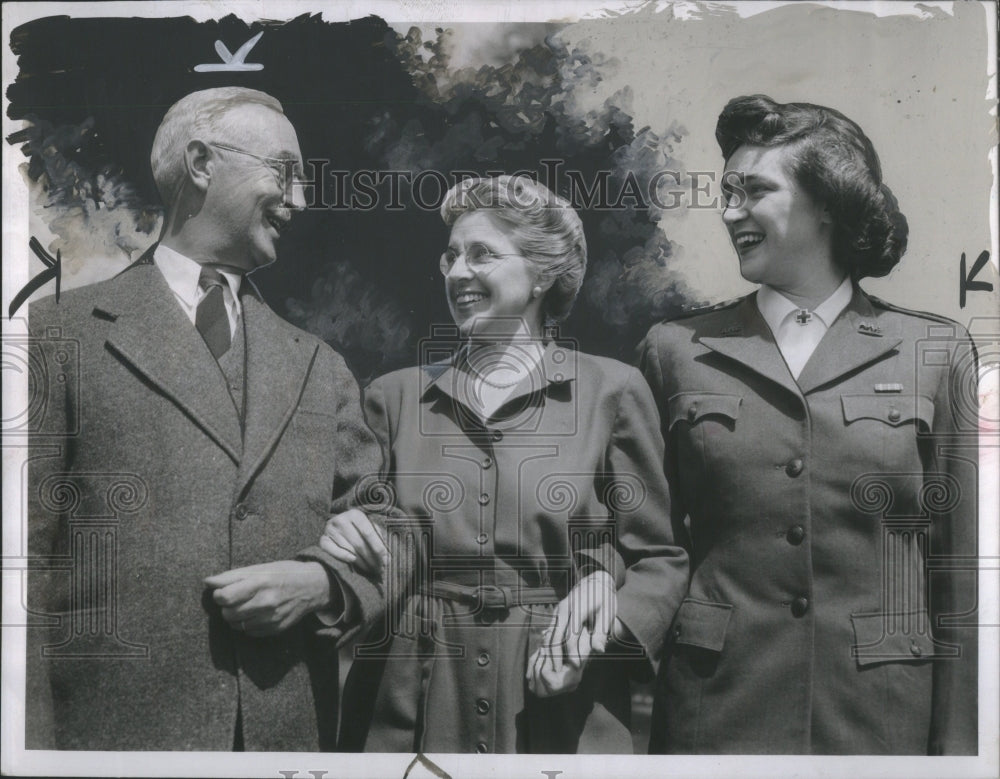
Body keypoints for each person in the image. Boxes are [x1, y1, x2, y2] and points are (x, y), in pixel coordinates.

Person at [26, 87, 384, 751]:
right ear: (199, 163)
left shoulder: (318, 365)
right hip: (108, 746)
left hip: (284, 745)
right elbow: (19, 567)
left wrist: (324, 581)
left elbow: (390, 529)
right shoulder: (53, 336)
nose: (300, 200)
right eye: (284, 172)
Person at [640, 95, 979, 754]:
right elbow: (650, 549)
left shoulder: (934, 352)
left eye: (754, 189)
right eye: (726, 190)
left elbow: (959, 570)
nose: (729, 209)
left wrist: (961, 752)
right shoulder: (675, 348)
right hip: (715, 713)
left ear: (828, 201)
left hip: (882, 719)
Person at [321, 175, 689, 753]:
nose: (457, 272)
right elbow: (367, 541)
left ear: (542, 274)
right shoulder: (392, 397)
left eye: (481, 254)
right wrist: (342, 530)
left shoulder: (612, 391)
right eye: (450, 256)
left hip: (560, 703)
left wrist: (597, 630)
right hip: (409, 701)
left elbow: (659, 558)